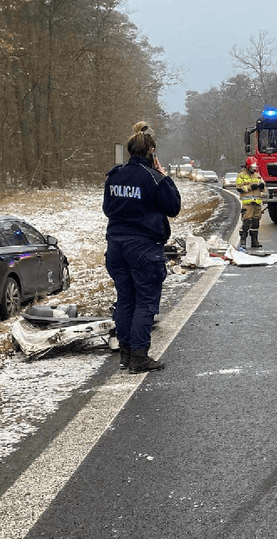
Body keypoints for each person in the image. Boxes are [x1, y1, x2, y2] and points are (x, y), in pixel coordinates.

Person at [103, 122, 181, 373]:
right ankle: (139, 356)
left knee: (125, 300)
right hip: (144, 248)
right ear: (151, 152)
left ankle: (126, 354)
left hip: (116, 246)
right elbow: (173, 207)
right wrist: (165, 176)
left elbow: (107, 209)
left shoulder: (115, 176)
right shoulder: (153, 178)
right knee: (145, 302)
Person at [236, 156, 265, 249]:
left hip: (257, 203)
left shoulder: (257, 175)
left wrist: (262, 186)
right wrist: (250, 187)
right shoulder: (241, 175)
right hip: (247, 203)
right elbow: (239, 188)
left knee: (256, 222)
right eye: (252, 167)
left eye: (255, 167)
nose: (254, 169)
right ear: (248, 166)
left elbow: (263, 188)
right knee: (246, 222)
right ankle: (243, 241)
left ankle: (254, 241)